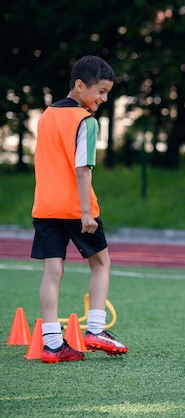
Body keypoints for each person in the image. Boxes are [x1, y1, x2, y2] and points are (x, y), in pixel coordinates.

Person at [31, 55, 129, 363]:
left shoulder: (46, 115)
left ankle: (51, 344)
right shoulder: (85, 120)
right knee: (101, 263)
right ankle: (96, 330)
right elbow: (83, 168)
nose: (103, 98)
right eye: (100, 91)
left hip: (44, 207)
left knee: (52, 272)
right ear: (79, 85)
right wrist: (86, 212)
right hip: (75, 207)